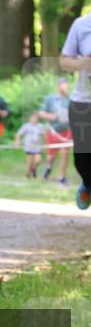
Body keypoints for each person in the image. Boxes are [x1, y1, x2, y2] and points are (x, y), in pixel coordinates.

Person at [60, 13, 91, 209]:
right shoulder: (81, 25)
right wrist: (80, 64)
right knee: (82, 157)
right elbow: (64, 61)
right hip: (83, 102)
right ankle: (87, 183)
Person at [39, 77, 72, 185]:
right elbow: (41, 113)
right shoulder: (50, 98)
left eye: (67, 85)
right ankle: (48, 168)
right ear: (59, 86)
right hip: (53, 131)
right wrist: (51, 116)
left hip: (66, 132)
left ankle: (62, 177)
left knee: (64, 154)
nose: (66, 87)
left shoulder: (70, 100)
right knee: (51, 157)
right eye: (64, 85)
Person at [15, 112, 47, 178]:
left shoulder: (40, 126)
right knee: (29, 162)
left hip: (37, 147)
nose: (34, 119)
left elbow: (44, 136)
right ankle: (28, 174)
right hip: (29, 147)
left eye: (36, 118)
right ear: (30, 118)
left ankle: (33, 169)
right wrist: (17, 142)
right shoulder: (26, 126)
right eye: (33, 118)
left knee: (38, 160)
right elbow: (18, 134)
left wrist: (44, 145)